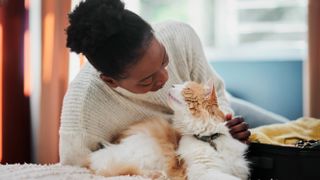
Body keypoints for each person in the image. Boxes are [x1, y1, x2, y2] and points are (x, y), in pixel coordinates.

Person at [60, 0, 250, 166]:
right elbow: (76, 170)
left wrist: (225, 125)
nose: (165, 78)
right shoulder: (83, 110)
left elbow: (215, 93)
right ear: (110, 81)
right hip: (175, 153)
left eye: (164, 60)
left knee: (279, 133)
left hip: (212, 119)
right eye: (147, 80)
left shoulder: (180, 36)